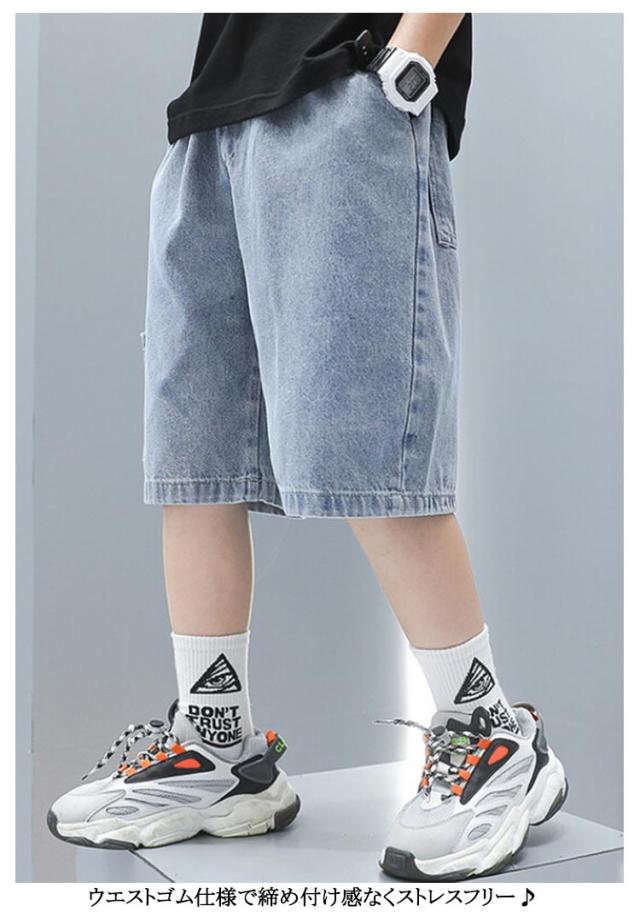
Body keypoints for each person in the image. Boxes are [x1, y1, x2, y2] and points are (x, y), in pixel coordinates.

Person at [48, 12, 567, 881]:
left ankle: (492, 735)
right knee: (196, 459)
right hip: (212, 119)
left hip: (346, 88)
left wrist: (408, 63)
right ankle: (218, 745)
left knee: (370, 452)